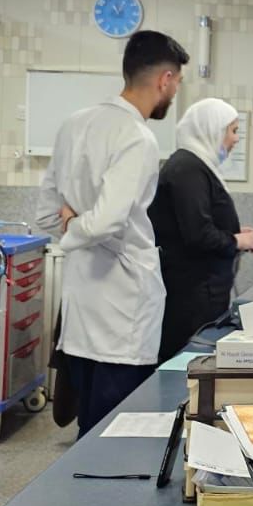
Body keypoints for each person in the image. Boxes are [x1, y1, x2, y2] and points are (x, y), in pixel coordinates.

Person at [37, 30, 188, 436]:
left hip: (82, 309)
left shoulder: (74, 124)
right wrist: (79, 227)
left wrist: (72, 226)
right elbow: (107, 221)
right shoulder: (137, 137)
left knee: (90, 430)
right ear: (165, 80)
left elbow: (45, 214)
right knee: (118, 437)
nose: (174, 92)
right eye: (177, 83)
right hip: (122, 314)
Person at [150, 97, 253, 362]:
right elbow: (197, 235)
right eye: (232, 131)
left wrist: (235, 233)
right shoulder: (188, 169)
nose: (236, 139)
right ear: (211, 130)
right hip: (191, 296)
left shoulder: (196, 165)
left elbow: (196, 222)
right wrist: (236, 240)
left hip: (201, 292)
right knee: (187, 365)